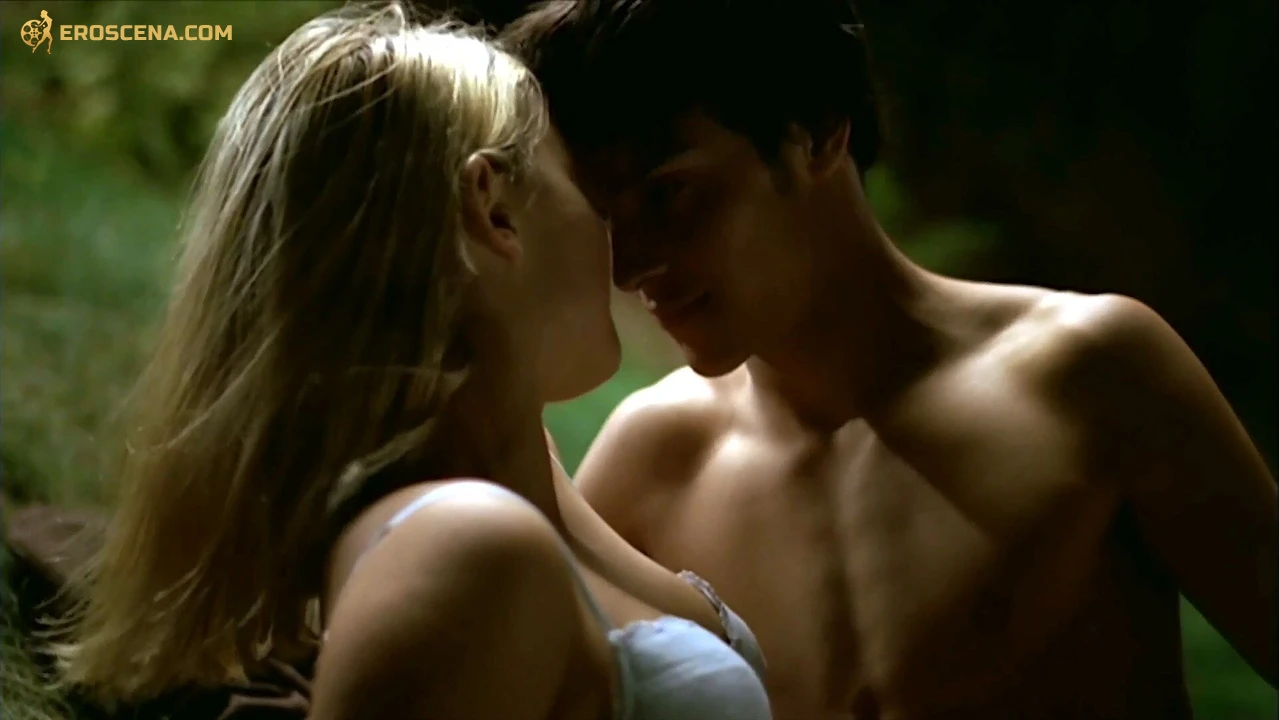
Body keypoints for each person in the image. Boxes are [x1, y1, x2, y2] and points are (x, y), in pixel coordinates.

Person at [501, 1, 1279, 717]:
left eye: (667, 195)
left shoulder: (1085, 375)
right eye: (604, 218)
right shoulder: (649, 461)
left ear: (815, 130)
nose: (630, 264)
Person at [53, 5, 772, 719]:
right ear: (493, 208)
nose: (619, 247)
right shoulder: (465, 548)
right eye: (588, 190)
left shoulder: (517, 468)